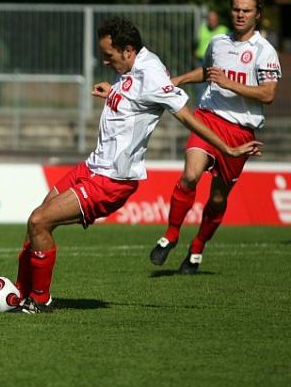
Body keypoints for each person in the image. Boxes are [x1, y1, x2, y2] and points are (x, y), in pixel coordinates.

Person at [13, 17, 261, 313]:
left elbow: (185, 116)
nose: (105, 61)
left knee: (40, 222)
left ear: (128, 50)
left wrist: (227, 147)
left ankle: (39, 301)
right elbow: (133, 100)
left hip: (111, 180)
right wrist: (113, 92)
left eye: (109, 55)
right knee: (36, 223)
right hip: (92, 166)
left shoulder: (152, 74)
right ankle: (20, 294)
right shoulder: (130, 68)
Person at [150, 0, 281, 274]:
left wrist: (229, 83)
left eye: (246, 10)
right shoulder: (219, 42)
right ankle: (171, 235)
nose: (240, 14)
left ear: (257, 15)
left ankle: (197, 248)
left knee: (218, 198)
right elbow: (208, 72)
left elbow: (268, 94)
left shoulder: (265, 51)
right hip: (208, 118)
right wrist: (181, 79)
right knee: (190, 175)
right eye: (236, 9)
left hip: (240, 131)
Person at [191, 10, 230, 102]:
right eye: (210, 19)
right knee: (200, 88)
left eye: (214, 20)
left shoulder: (224, 30)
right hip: (201, 62)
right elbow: (195, 44)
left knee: (216, 87)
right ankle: (199, 109)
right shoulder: (202, 29)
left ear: (218, 20)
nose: (211, 22)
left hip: (216, 63)